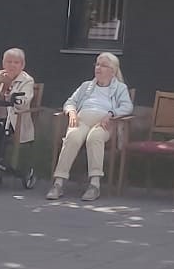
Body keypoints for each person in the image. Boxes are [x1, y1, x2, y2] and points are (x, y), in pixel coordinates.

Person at [48, 52, 129, 201]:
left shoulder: (120, 88)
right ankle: (58, 183)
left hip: (103, 123)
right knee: (72, 137)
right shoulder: (86, 86)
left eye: (103, 65)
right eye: (97, 64)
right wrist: (71, 112)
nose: (98, 68)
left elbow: (127, 107)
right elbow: (70, 102)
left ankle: (94, 185)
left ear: (113, 71)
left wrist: (111, 114)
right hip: (82, 120)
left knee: (94, 138)